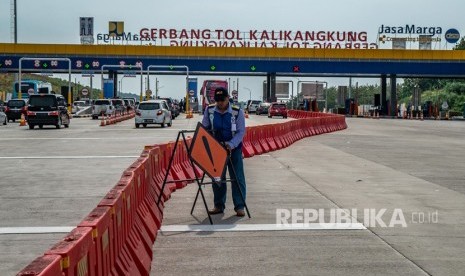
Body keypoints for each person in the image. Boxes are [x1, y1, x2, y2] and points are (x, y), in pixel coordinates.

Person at [201, 87, 247, 217]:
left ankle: (239, 206)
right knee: (217, 178)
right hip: (216, 150)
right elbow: (205, 129)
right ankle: (218, 205)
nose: (220, 103)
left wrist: (231, 144)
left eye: (222, 100)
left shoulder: (237, 112)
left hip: (234, 149)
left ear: (228, 98)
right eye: (218, 100)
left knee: (237, 177)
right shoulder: (209, 110)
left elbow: (240, 132)